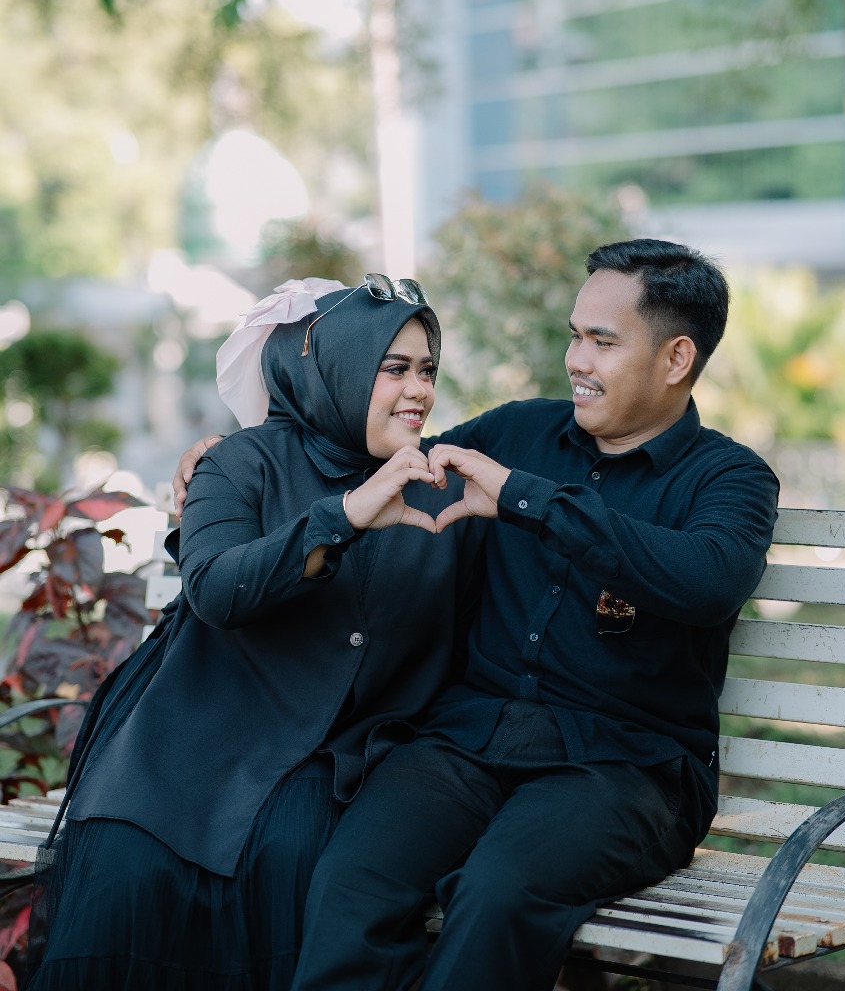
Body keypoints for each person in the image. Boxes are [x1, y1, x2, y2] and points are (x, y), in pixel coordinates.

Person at [174, 240, 780, 991]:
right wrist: (239, 464)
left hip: (626, 768)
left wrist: (529, 499)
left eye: (602, 342)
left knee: (497, 894)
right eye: (574, 336)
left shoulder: (730, 478)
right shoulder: (518, 432)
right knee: (352, 880)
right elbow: (372, 464)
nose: (576, 361)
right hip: (465, 743)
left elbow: (706, 580)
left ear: (676, 357)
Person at [26, 276, 485, 991]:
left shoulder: (445, 486)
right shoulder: (240, 463)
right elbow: (216, 587)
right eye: (393, 368)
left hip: (336, 756)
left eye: (427, 370)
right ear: (334, 369)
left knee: (294, 856)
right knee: (130, 867)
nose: (418, 390)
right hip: (195, 733)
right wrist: (344, 516)